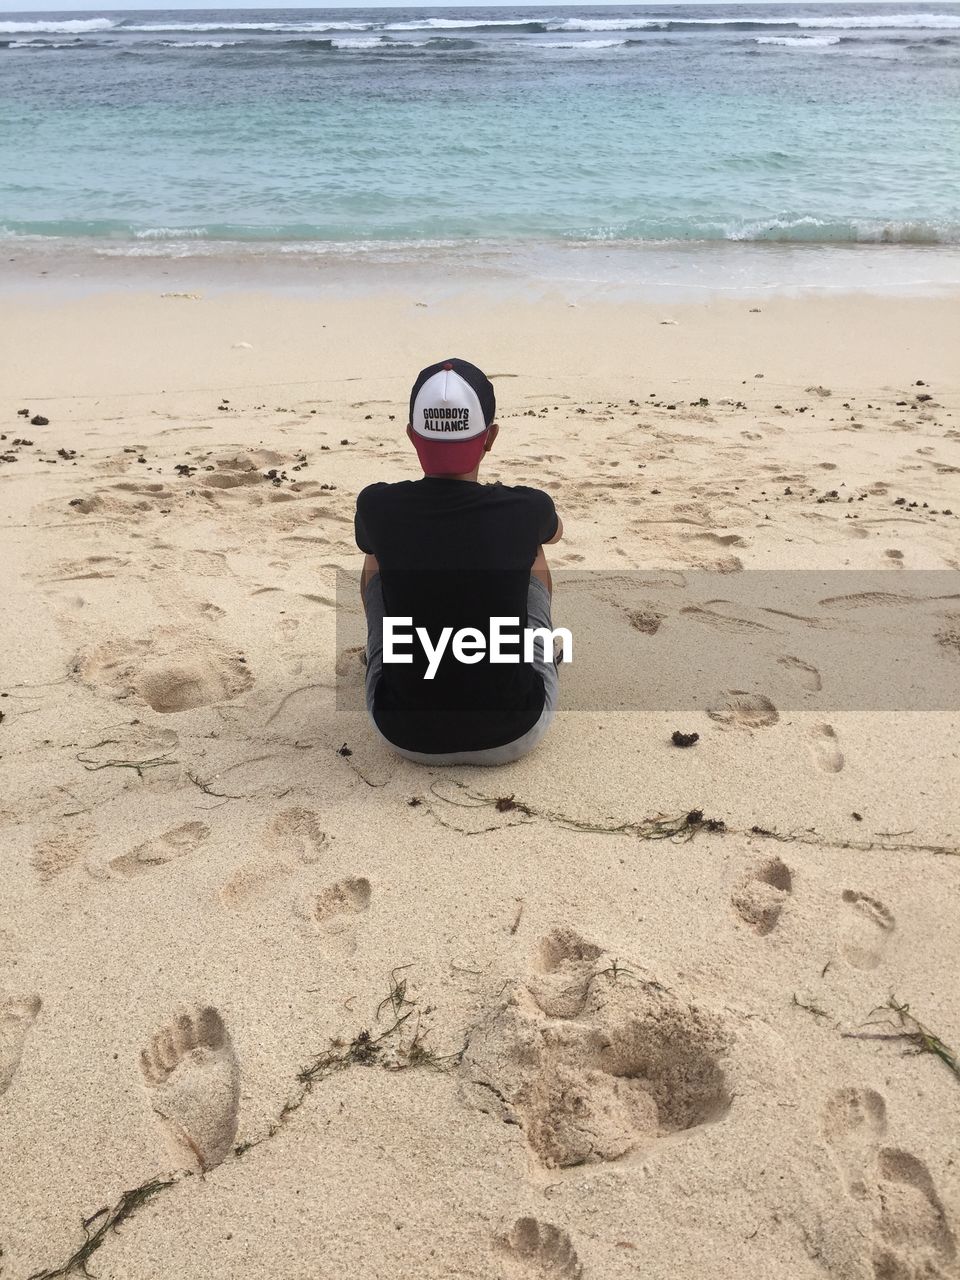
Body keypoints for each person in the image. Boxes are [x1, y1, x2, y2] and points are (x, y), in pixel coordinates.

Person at [354, 357, 563, 765]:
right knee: (533, 547)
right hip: (515, 731)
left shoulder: (377, 504)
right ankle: (541, 649)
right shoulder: (526, 506)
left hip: (404, 734)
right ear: (490, 437)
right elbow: (555, 532)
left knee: (376, 553)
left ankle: (378, 650)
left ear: (413, 437)